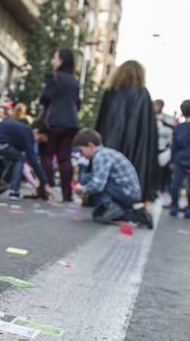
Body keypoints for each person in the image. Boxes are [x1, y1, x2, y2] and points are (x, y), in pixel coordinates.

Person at [95, 60, 159, 202]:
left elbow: (102, 121)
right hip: (135, 147)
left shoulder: (111, 93)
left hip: (111, 141)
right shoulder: (143, 94)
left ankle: (104, 195)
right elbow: (148, 131)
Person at [72, 128, 154, 228]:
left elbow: (98, 185)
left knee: (87, 179)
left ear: (90, 146)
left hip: (126, 193)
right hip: (127, 193)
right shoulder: (106, 153)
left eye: (81, 151)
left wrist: (82, 189)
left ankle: (111, 207)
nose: (81, 155)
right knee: (97, 215)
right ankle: (134, 214)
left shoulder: (101, 156)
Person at [37, 48, 80, 201]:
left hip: (54, 122)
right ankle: (66, 194)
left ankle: (45, 190)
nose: (52, 61)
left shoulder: (53, 76)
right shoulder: (75, 81)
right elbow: (77, 103)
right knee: (65, 158)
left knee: (46, 155)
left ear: (61, 60)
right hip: (72, 123)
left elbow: (46, 97)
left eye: (55, 57)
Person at [0, 118, 52, 200]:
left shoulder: (20, 128)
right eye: (40, 138)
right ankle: (14, 191)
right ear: (36, 131)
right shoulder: (28, 134)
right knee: (19, 159)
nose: (38, 142)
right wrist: (45, 184)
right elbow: (34, 162)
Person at [154, 99, 175, 191]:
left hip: (164, 146)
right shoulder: (150, 117)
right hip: (154, 146)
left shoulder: (167, 118)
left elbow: (171, 130)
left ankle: (163, 187)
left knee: (164, 169)